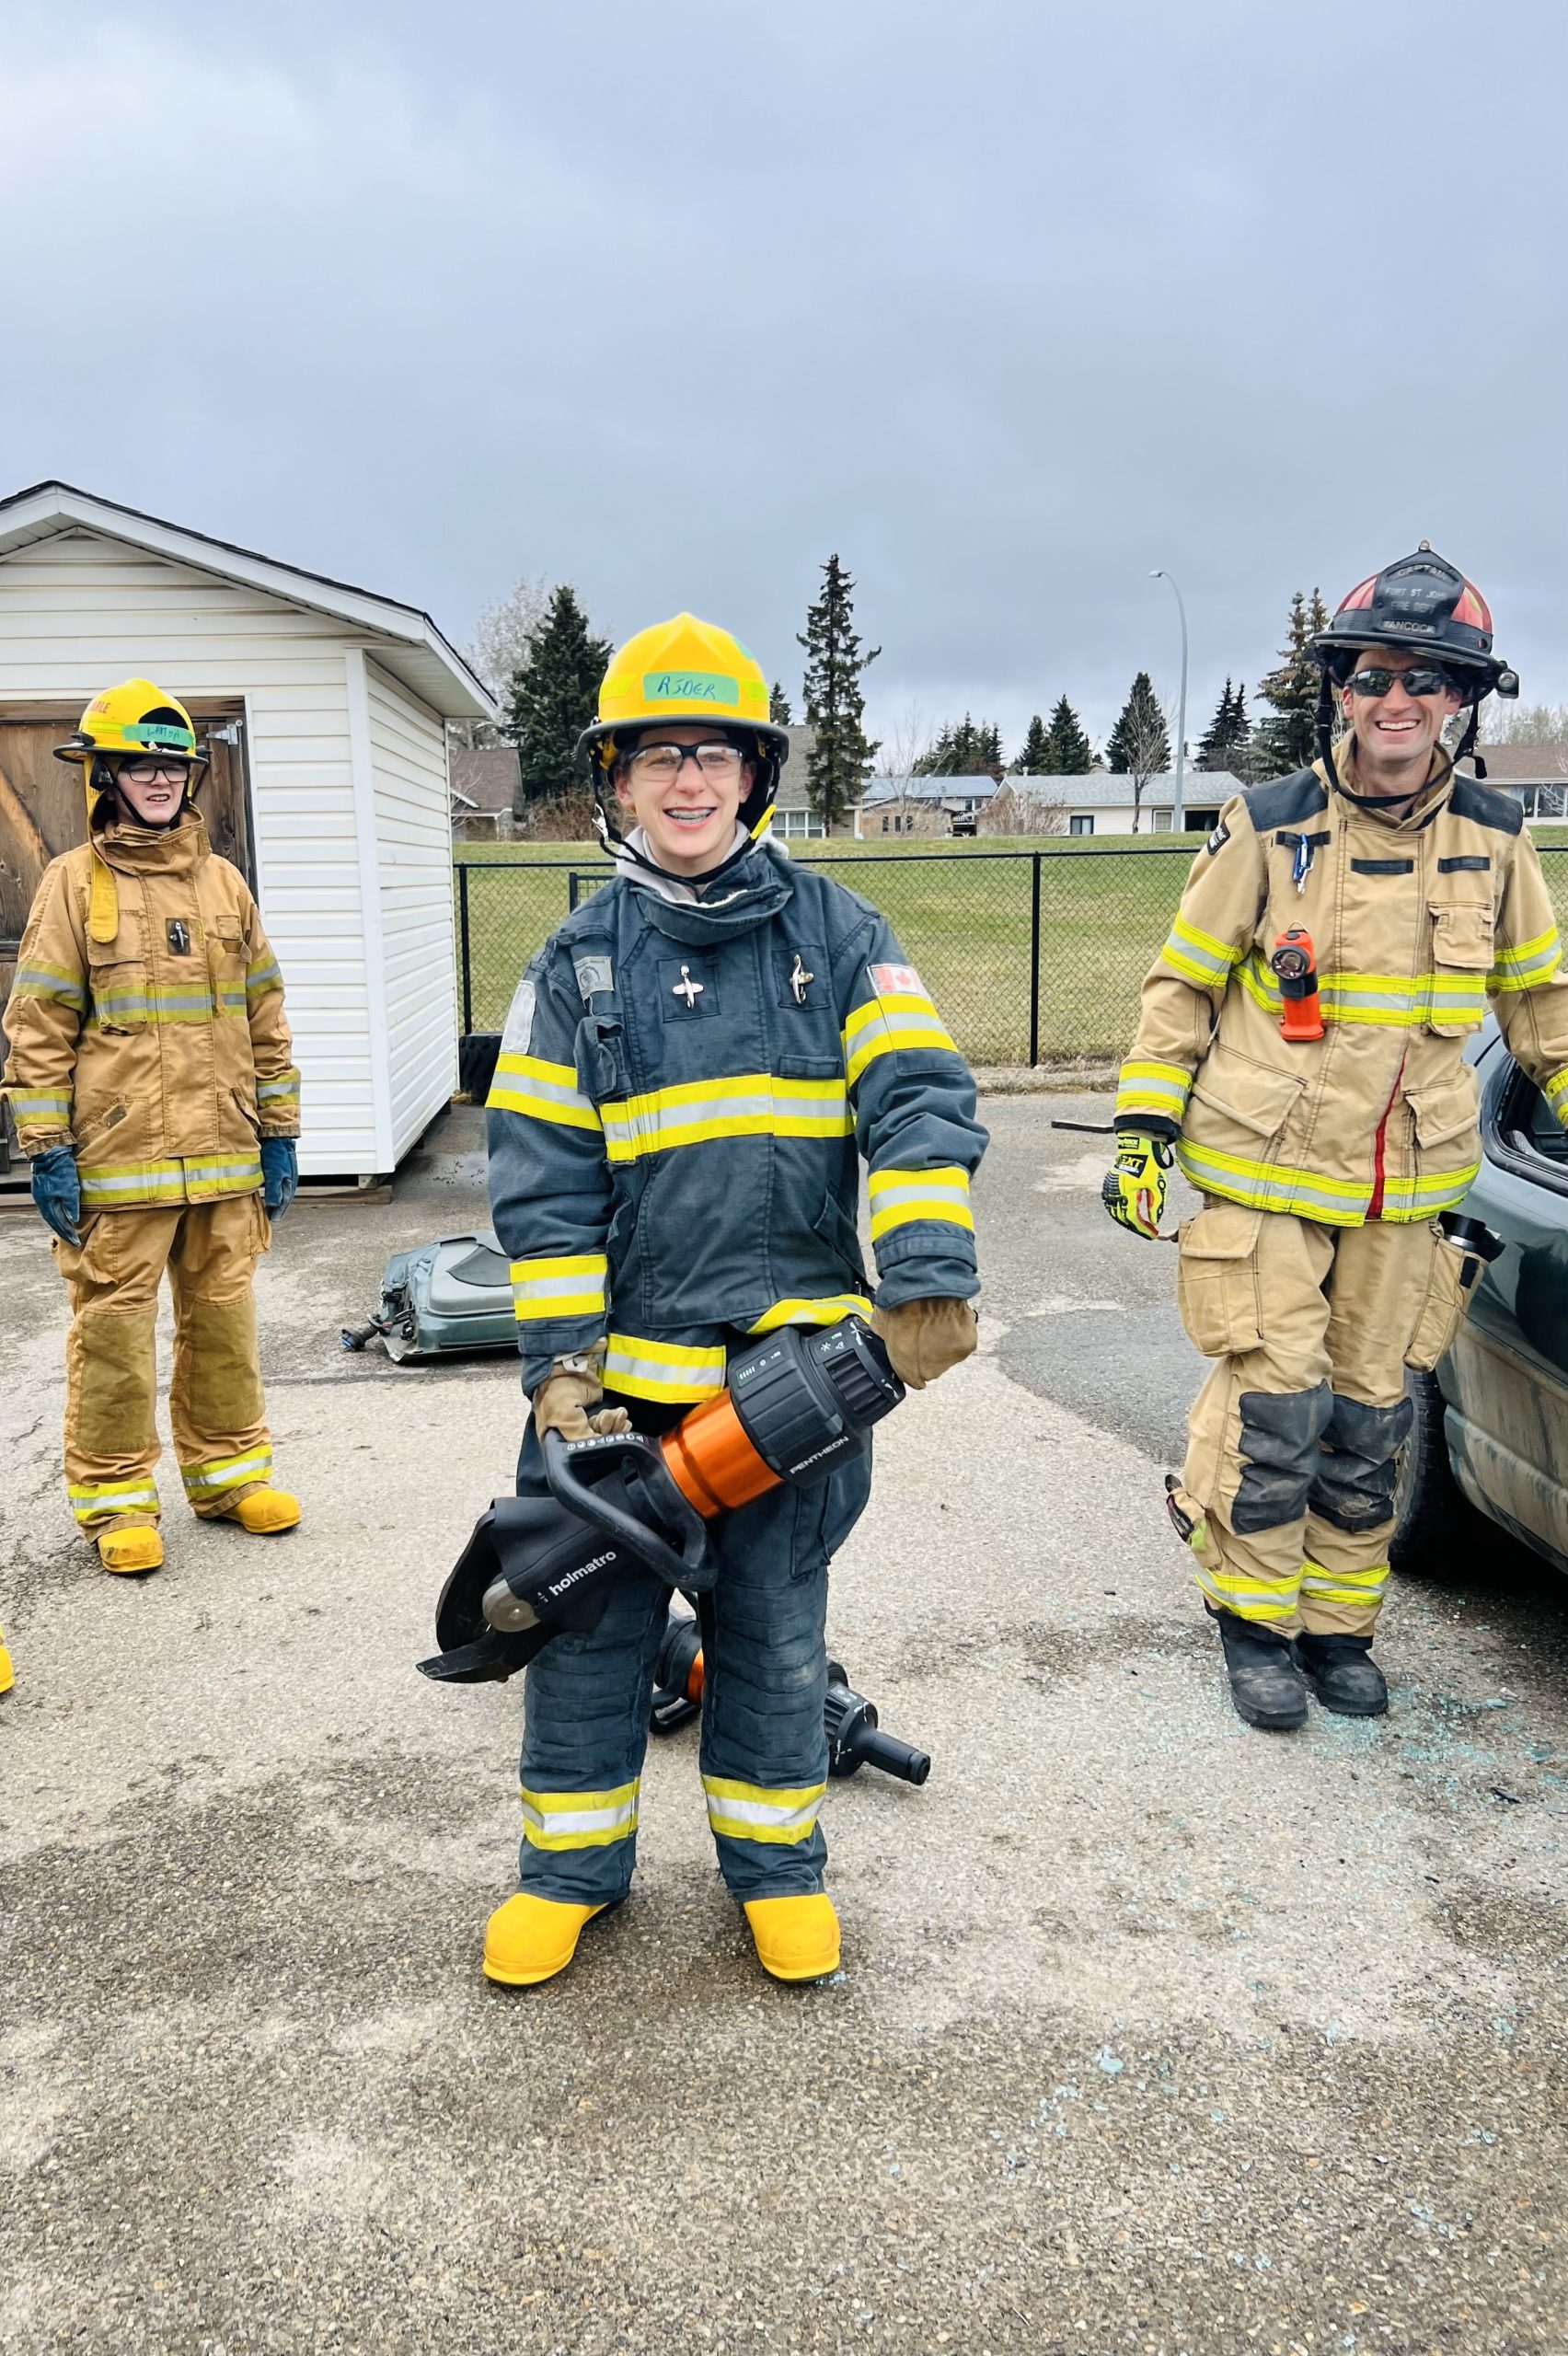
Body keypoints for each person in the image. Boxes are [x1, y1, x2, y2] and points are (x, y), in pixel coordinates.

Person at [483, 613, 986, 1986]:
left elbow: (922, 1098)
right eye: (659, 757)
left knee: (773, 1636)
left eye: (714, 754)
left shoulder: (839, 930)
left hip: (795, 1391)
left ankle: (778, 1874)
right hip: (626, 1395)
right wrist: (560, 1367)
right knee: (589, 1636)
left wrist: (929, 1277)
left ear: (754, 776)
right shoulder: (575, 965)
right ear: (619, 780)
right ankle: (569, 1876)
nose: (688, 782)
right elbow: (540, 1181)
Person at [1106, 547, 1568, 1729]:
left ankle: (1337, 1628)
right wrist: (1144, 1126)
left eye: (1429, 680)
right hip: (1264, 1178)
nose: (1398, 700)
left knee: (1371, 1418)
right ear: (1341, 691)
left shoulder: (1497, 842)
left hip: (1408, 1192)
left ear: (1463, 701)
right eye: (1375, 676)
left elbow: (1543, 1016)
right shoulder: (1266, 828)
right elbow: (1182, 988)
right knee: (1278, 1408)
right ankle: (1254, 1625)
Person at [2, 678, 303, 1576]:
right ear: (106, 775)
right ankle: (117, 1499)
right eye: (140, 763)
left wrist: (279, 1132)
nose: (159, 779)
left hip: (224, 1154)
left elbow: (265, 1015)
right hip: (117, 1160)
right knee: (117, 1333)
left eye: (172, 764)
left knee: (223, 1324)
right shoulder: (70, 884)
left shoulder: (223, 886)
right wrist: (47, 1150)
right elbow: (37, 1025)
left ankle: (228, 1473)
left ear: (191, 777)